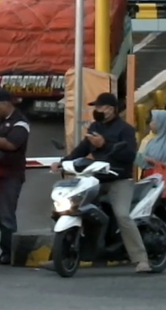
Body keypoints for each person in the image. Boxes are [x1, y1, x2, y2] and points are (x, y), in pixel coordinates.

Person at [51, 92, 152, 273]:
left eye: (99, 107)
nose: (96, 110)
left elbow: (130, 155)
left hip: (119, 179)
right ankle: (66, 253)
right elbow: (83, 148)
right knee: (71, 205)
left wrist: (104, 144)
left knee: (122, 215)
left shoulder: (125, 129)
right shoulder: (95, 126)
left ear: (111, 109)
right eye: (95, 107)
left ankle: (141, 259)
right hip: (95, 179)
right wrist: (63, 162)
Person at [0, 88, 30, 265]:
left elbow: (11, 144)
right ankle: (5, 251)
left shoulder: (20, 123)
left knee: (7, 215)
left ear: (5, 104)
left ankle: (10, 253)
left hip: (10, 175)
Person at [135, 109, 166, 267]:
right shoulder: (151, 141)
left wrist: (155, 162)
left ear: (162, 123)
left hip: (165, 184)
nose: (151, 124)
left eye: (154, 121)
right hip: (150, 183)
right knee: (151, 219)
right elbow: (142, 162)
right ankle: (156, 252)